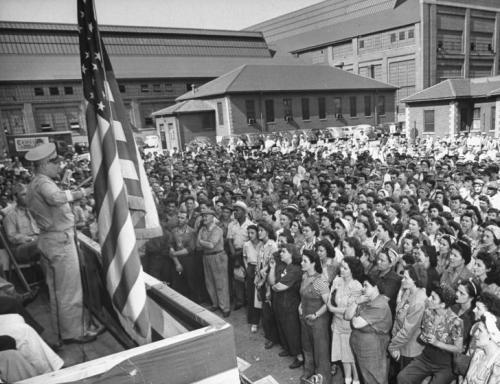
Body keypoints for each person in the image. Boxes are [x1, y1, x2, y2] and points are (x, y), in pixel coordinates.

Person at [25, 143, 97, 344]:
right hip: (59, 241)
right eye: (55, 162)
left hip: (50, 240)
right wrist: (84, 192)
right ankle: (74, 333)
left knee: (58, 291)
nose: (59, 166)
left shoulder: (35, 183)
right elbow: (56, 198)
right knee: (69, 290)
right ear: (44, 164)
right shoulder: (43, 183)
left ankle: (64, 332)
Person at [397, 284, 464, 384]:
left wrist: (437, 343)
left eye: (433, 298)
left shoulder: (456, 322)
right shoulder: (428, 312)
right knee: (402, 377)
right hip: (426, 358)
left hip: (445, 364)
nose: (428, 299)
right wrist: (422, 337)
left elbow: (458, 348)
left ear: (442, 304)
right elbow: (422, 335)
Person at [328, 257, 363, 384]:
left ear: (352, 270)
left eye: (345, 268)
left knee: (351, 357)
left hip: (349, 326)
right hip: (337, 323)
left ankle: (356, 380)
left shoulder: (357, 286)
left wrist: (333, 309)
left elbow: (351, 310)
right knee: (343, 356)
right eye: (341, 267)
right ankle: (347, 380)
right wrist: (333, 311)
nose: (341, 270)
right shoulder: (338, 281)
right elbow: (331, 300)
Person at [269, 243, 303, 369]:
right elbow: (272, 282)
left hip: (290, 304)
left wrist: (275, 286)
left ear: (291, 253)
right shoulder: (283, 266)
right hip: (280, 303)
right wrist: (272, 268)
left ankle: (299, 357)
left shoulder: (295, 269)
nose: (280, 254)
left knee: (292, 330)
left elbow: (279, 287)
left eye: (283, 251)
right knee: (283, 327)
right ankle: (288, 349)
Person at [299, 249, 331, 383]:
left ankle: (322, 378)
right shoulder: (304, 277)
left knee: (320, 351)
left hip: (318, 321)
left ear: (313, 263)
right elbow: (303, 296)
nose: (302, 263)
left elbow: (328, 303)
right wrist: (300, 306)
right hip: (305, 319)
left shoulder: (320, 280)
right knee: (307, 347)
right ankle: (309, 372)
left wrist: (316, 315)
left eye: (305, 261)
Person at [388, 264, 427, 370]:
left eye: (406, 278)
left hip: (409, 350)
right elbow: (398, 314)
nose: (402, 280)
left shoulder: (419, 301)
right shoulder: (409, 291)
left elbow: (407, 331)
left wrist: (392, 346)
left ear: (415, 280)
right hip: (399, 344)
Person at [196, 207, 230, 317]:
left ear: (212, 217)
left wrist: (201, 241)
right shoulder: (202, 229)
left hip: (218, 256)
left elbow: (211, 245)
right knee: (209, 282)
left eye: (206, 216)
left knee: (221, 283)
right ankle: (215, 304)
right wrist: (203, 243)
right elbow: (197, 245)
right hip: (206, 257)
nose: (204, 218)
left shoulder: (217, 230)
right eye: (203, 216)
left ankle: (225, 307)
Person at [3, 183, 41, 264]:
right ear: (15, 197)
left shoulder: (34, 211)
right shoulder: (11, 215)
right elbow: (13, 237)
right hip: (20, 249)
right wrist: (32, 239)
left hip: (37, 244)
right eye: (24, 194)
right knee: (45, 244)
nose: (27, 197)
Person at [463, 313, 500, 384]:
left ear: (491, 335)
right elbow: (466, 380)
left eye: (480, 330)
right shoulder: (478, 353)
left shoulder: (498, 363)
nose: (475, 334)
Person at [243, 224, 262, 333]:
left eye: (252, 233)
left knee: (260, 295)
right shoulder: (246, 245)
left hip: (260, 268)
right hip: (251, 268)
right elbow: (245, 257)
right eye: (248, 233)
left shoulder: (262, 244)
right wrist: (247, 269)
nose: (250, 235)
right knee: (251, 295)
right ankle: (254, 321)